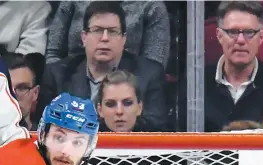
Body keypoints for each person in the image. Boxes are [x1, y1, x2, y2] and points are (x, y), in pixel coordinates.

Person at [39, 1, 168, 131]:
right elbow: (47, 126)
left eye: (113, 32)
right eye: (97, 30)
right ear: (84, 37)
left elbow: (154, 126)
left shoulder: (150, 74)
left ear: (124, 39)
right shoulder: (57, 75)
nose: (105, 38)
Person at [179, 1, 263, 132]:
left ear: (261, 37)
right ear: (219, 36)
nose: (240, 40)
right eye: (233, 32)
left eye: (249, 32)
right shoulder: (193, 84)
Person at [46, 1, 171, 69]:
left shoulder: (152, 6)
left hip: (128, 91)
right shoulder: (71, 2)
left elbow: (153, 69)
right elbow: (53, 54)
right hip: (71, 86)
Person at [3, 52, 41, 130]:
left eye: (21, 88)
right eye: (5, 87)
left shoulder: (46, 141)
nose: (12, 95)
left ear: (35, 93)